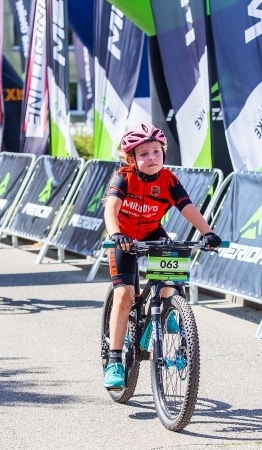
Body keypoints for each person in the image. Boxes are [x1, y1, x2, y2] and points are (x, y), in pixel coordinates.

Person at [102, 124, 222, 390]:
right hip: (123, 237)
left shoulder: (168, 180)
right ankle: (114, 360)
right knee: (124, 295)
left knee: (171, 275)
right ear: (132, 159)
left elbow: (187, 208)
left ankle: (167, 309)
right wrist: (116, 235)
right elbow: (111, 209)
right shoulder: (123, 177)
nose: (151, 157)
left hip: (151, 231)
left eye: (156, 151)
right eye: (143, 154)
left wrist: (208, 232)